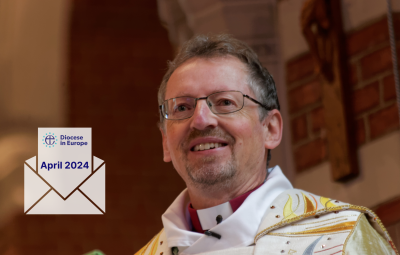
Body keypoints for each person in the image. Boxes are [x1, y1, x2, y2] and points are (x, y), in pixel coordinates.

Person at [135, 34, 398, 255]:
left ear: (270, 129)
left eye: (225, 102)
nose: (201, 120)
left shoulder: (340, 239)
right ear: (166, 143)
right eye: (182, 107)